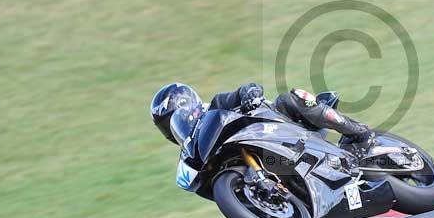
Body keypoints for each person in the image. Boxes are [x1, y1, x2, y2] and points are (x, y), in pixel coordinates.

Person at [150, 82, 375, 153]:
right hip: (266, 155)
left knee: (289, 98)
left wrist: (249, 93)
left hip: (280, 127)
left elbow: (243, 90)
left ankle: (358, 132)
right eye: (166, 125)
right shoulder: (196, 151)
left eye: (174, 116)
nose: (171, 126)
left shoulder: (217, 105)